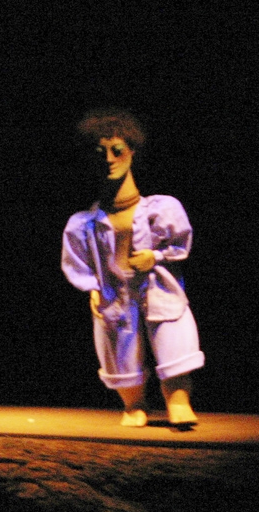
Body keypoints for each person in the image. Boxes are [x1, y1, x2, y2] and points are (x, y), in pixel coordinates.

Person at [61, 108, 205, 427]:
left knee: (173, 333)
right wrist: (93, 289)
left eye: (117, 150)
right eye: (100, 153)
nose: (109, 159)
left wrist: (155, 256)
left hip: (156, 285)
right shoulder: (83, 223)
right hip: (114, 290)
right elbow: (78, 262)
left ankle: (178, 400)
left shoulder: (162, 208)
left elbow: (179, 244)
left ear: (132, 151)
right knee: (118, 346)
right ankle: (133, 403)